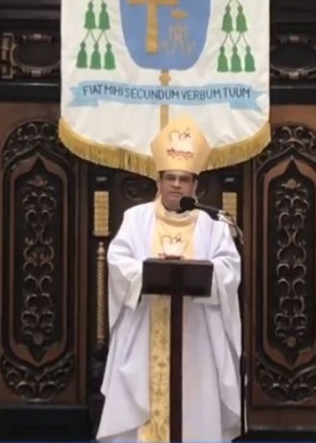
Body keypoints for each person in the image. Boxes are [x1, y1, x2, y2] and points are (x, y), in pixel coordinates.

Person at [96, 115, 242, 442]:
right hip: (147, 330)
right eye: (170, 178)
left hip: (197, 338)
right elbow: (118, 262)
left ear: (195, 185)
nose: (176, 185)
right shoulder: (135, 220)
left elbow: (229, 269)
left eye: (184, 179)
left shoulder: (214, 226)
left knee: (195, 408)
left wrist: (202, 273)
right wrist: (147, 272)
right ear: (159, 182)